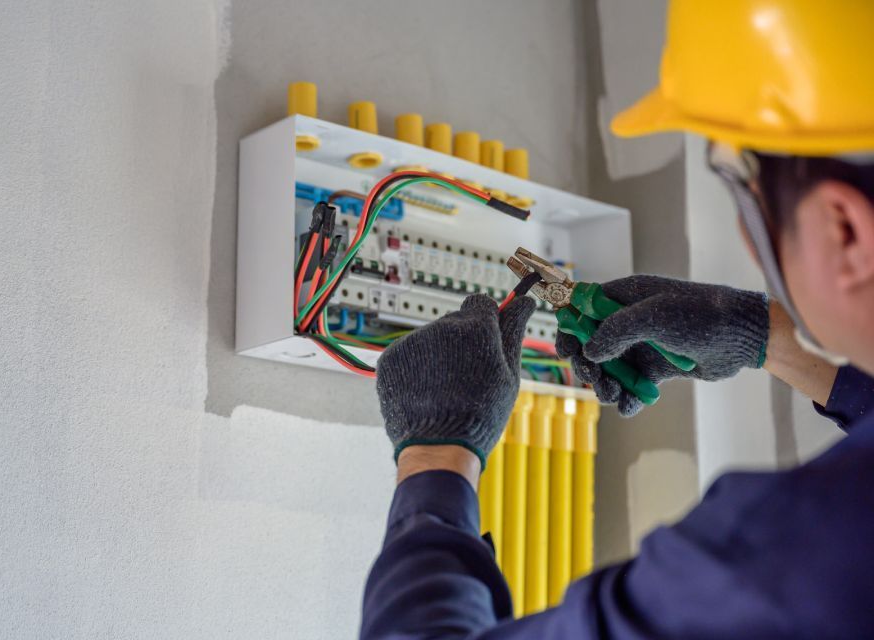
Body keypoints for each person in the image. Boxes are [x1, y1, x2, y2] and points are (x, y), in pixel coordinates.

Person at [359, 1, 874, 638]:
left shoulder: (787, 557)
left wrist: (434, 461)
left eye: (736, 181)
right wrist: (762, 337)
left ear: (843, 229)